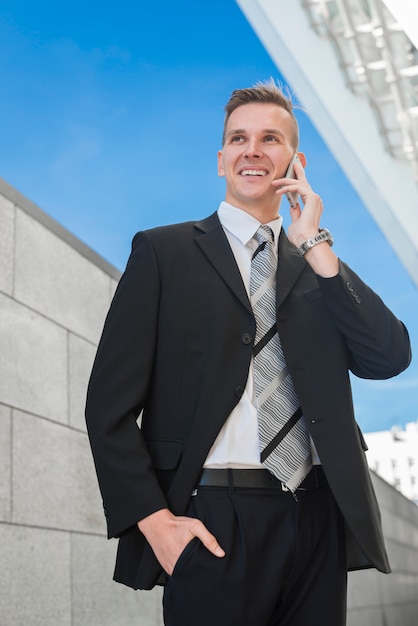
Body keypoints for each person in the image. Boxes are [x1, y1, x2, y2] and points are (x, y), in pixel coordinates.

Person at [85, 81, 411, 626]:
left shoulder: (317, 268)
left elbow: (389, 357)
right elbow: (108, 409)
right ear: (221, 160)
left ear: (295, 161)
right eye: (238, 139)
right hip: (212, 520)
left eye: (269, 138)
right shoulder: (163, 253)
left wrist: (317, 244)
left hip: (316, 520)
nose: (252, 150)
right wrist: (156, 522)